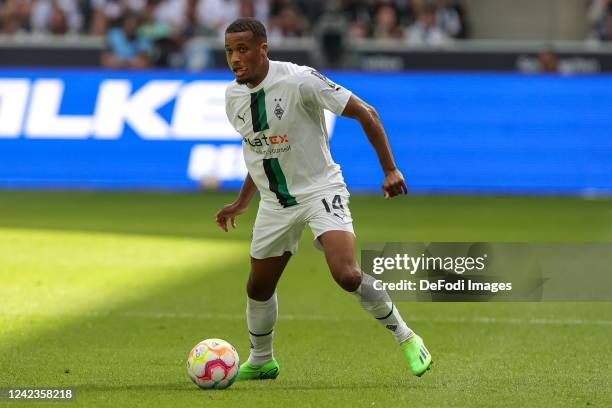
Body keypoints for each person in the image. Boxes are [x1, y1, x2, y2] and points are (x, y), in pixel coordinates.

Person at [216, 17, 432, 381]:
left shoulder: (300, 80)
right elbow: (261, 152)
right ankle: (262, 359)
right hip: (275, 202)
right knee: (258, 287)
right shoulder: (233, 97)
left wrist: (390, 170)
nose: (235, 58)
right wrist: (242, 201)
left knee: (346, 275)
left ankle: (406, 336)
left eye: (243, 49)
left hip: (320, 190)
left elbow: (367, 113)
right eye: (229, 51)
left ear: (263, 49)